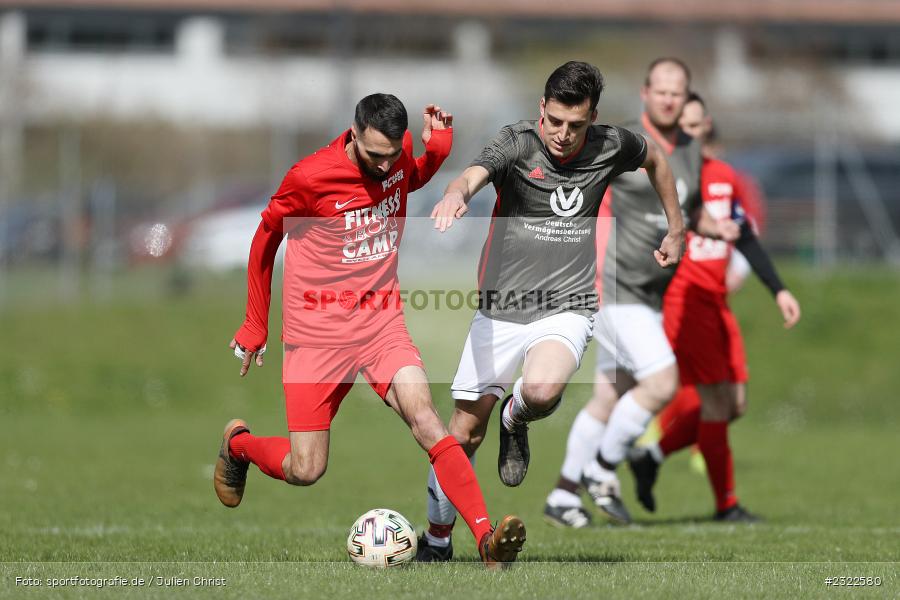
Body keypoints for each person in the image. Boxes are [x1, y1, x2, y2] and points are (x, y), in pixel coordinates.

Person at [213, 93, 524, 567]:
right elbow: (264, 238)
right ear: (353, 132)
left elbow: (408, 179)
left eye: (391, 154)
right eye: (374, 155)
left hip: (380, 324)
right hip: (315, 334)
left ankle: (486, 540)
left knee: (427, 420)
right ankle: (239, 447)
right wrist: (255, 322)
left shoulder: (395, 159)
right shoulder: (310, 178)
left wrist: (435, 152)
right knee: (306, 467)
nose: (384, 166)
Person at [418, 60, 685, 560]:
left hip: (567, 303)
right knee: (462, 435)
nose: (563, 135)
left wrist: (676, 226)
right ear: (542, 108)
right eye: (555, 121)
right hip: (500, 309)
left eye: (576, 125)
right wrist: (454, 197)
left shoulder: (611, 144)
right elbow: (472, 176)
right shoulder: (517, 142)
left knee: (541, 391)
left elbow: (658, 163)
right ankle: (436, 539)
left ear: (593, 117)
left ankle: (516, 417)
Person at [544, 58, 733, 527]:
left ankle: (563, 495)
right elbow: (574, 190)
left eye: (679, 91)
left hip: (647, 292)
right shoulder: (617, 141)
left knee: (611, 395)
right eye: (662, 90)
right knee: (661, 383)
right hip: (611, 286)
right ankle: (602, 469)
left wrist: (715, 225)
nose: (670, 98)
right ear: (646, 92)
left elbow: (685, 207)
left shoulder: (688, 147)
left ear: (686, 96)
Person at [627, 91, 801, 522]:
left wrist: (778, 289)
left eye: (695, 123)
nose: (688, 131)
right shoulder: (666, 178)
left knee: (733, 404)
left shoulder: (724, 175)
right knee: (715, 404)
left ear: (706, 125)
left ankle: (650, 456)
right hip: (686, 300)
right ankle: (726, 505)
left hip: (717, 302)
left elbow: (742, 235)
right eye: (679, 126)